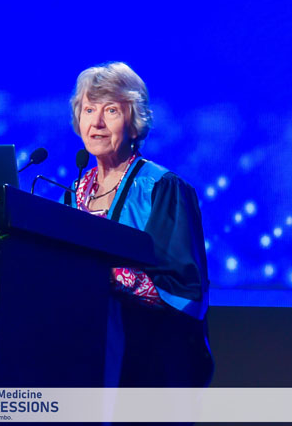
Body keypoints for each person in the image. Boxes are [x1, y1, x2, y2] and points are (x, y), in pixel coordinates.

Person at [71, 62, 214, 387]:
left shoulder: (162, 188)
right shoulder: (74, 191)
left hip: (147, 362)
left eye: (111, 111)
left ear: (134, 124)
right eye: (89, 110)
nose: (96, 122)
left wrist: (106, 276)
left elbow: (183, 290)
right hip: (80, 354)